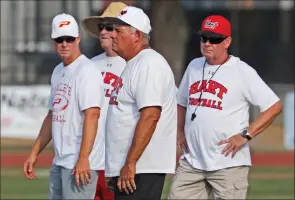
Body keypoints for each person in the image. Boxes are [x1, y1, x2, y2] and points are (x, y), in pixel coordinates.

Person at [168, 15, 282, 199]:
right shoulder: (194, 66)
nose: (207, 43)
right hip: (193, 162)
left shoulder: (242, 71)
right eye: (204, 38)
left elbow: (274, 106)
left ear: (227, 41)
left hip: (228, 164)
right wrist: (180, 131)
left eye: (214, 39)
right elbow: (181, 102)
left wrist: (246, 135)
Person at [23, 13, 105, 199]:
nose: (64, 44)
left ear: (78, 38)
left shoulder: (87, 71)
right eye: (60, 39)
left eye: (69, 38)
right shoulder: (58, 71)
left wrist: (84, 158)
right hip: (60, 162)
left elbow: (92, 116)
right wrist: (34, 153)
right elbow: (52, 116)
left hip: (79, 163)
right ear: (54, 41)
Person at [103, 6, 177, 200]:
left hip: (141, 168)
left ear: (136, 35)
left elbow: (151, 115)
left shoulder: (149, 64)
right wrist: (116, 167)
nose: (112, 36)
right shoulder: (134, 63)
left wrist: (130, 162)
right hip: (132, 168)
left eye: (119, 31)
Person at [82, 2, 127, 200]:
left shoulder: (137, 64)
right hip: (89, 161)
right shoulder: (89, 65)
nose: (103, 32)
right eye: (101, 27)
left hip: (119, 162)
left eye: (110, 27)